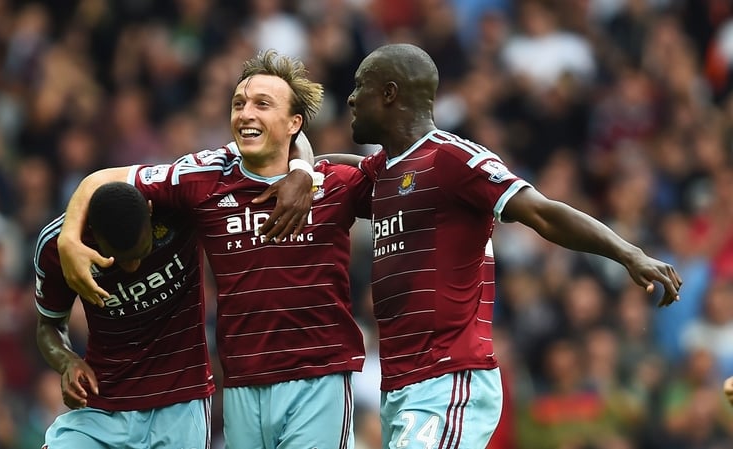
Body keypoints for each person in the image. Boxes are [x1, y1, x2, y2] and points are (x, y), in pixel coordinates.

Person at [343, 43, 683, 449]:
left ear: (389, 93)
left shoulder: (453, 160)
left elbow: (542, 212)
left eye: (360, 86)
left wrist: (629, 252)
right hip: (400, 385)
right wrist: (295, 166)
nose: (351, 98)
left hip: (448, 377)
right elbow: (329, 172)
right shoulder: (383, 172)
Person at [58, 50, 373, 449]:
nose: (245, 114)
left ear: (294, 123)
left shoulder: (331, 185)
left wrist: (304, 170)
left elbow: (397, 178)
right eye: (239, 104)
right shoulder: (205, 176)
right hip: (241, 384)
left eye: (262, 104)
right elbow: (103, 181)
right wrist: (69, 238)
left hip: (319, 378)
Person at [35, 181, 214, 449]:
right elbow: (48, 326)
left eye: (141, 252)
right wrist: (67, 362)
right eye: (117, 257)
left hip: (180, 400)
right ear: (93, 233)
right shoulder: (58, 247)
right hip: (103, 405)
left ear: (150, 211)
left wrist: (289, 175)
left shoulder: (178, 204)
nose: (132, 266)